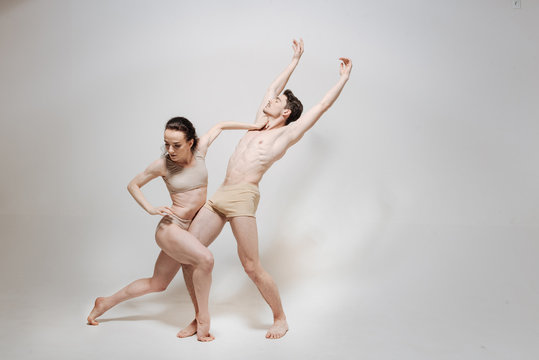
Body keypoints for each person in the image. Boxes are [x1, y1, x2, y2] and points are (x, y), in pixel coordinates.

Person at [179, 39, 353, 339]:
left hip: (243, 197)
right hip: (221, 193)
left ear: (285, 113)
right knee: (188, 253)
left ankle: (280, 317)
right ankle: (199, 317)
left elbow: (321, 106)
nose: (269, 101)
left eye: (277, 103)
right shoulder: (258, 124)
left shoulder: (285, 135)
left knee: (250, 266)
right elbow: (273, 88)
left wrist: (343, 79)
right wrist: (295, 60)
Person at [87, 116, 266, 342]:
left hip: (189, 229)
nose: (170, 150)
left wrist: (255, 127)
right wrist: (150, 208)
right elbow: (133, 184)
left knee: (157, 283)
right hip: (171, 229)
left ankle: (104, 303)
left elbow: (219, 126)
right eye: (166, 144)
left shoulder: (200, 151)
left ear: (191, 142)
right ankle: (202, 319)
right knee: (205, 260)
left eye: (176, 145)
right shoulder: (163, 165)